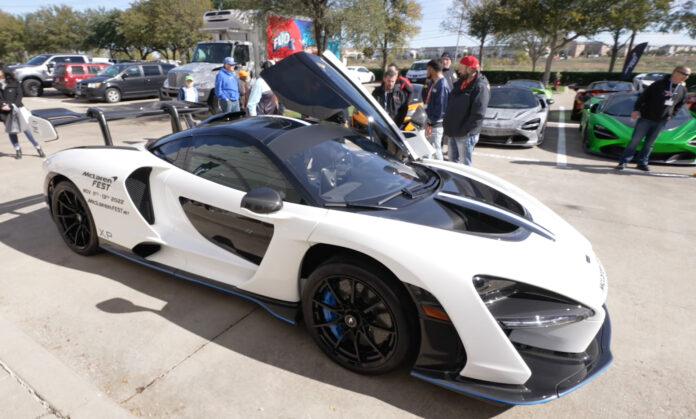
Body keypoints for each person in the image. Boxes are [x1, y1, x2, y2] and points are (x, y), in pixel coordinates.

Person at [616, 65, 691, 171]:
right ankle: (624, 162)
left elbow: (680, 104)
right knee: (635, 141)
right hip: (646, 118)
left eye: (688, 75)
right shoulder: (658, 85)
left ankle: (642, 163)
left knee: (649, 143)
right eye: (684, 74)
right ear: (675, 72)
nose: (686, 77)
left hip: (662, 121)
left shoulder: (682, 89)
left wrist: (672, 115)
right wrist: (636, 109)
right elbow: (643, 97)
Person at [443, 55, 490, 166]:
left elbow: (478, 114)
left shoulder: (480, 87)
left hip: (465, 134)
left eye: (461, 67)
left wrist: (465, 130)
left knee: (465, 167)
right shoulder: (461, 83)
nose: (459, 70)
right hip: (453, 132)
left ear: (470, 69)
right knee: (452, 164)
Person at [0, 63, 44, 159]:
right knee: (12, 131)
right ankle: (17, 150)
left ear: (4, 70)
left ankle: (38, 147)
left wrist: (12, 105)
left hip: (18, 109)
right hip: (4, 111)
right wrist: (1, 106)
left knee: (27, 130)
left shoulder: (14, 82)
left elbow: (19, 95)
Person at [423, 60, 450, 160]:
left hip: (436, 123)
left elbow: (441, 107)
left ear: (431, 69)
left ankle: (440, 169)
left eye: (427, 69)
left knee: (436, 148)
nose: (426, 72)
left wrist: (431, 120)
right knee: (427, 148)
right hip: (429, 122)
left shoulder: (442, 85)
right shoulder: (433, 83)